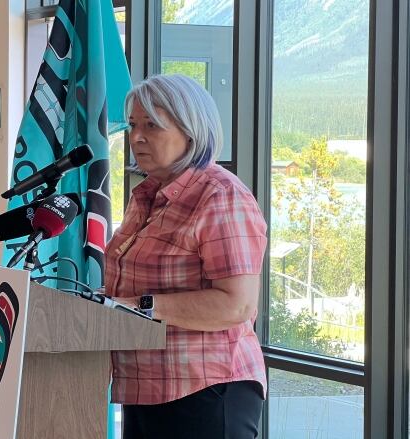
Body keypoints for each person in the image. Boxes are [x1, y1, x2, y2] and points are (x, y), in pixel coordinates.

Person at [107, 74, 267, 438]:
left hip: (206, 390)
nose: (136, 137)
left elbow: (236, 306)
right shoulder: (146, 195)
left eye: (152, 125)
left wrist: (141, 305)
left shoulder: (221, 196)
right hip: (146, 390)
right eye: (133, 125)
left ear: (191, 131)